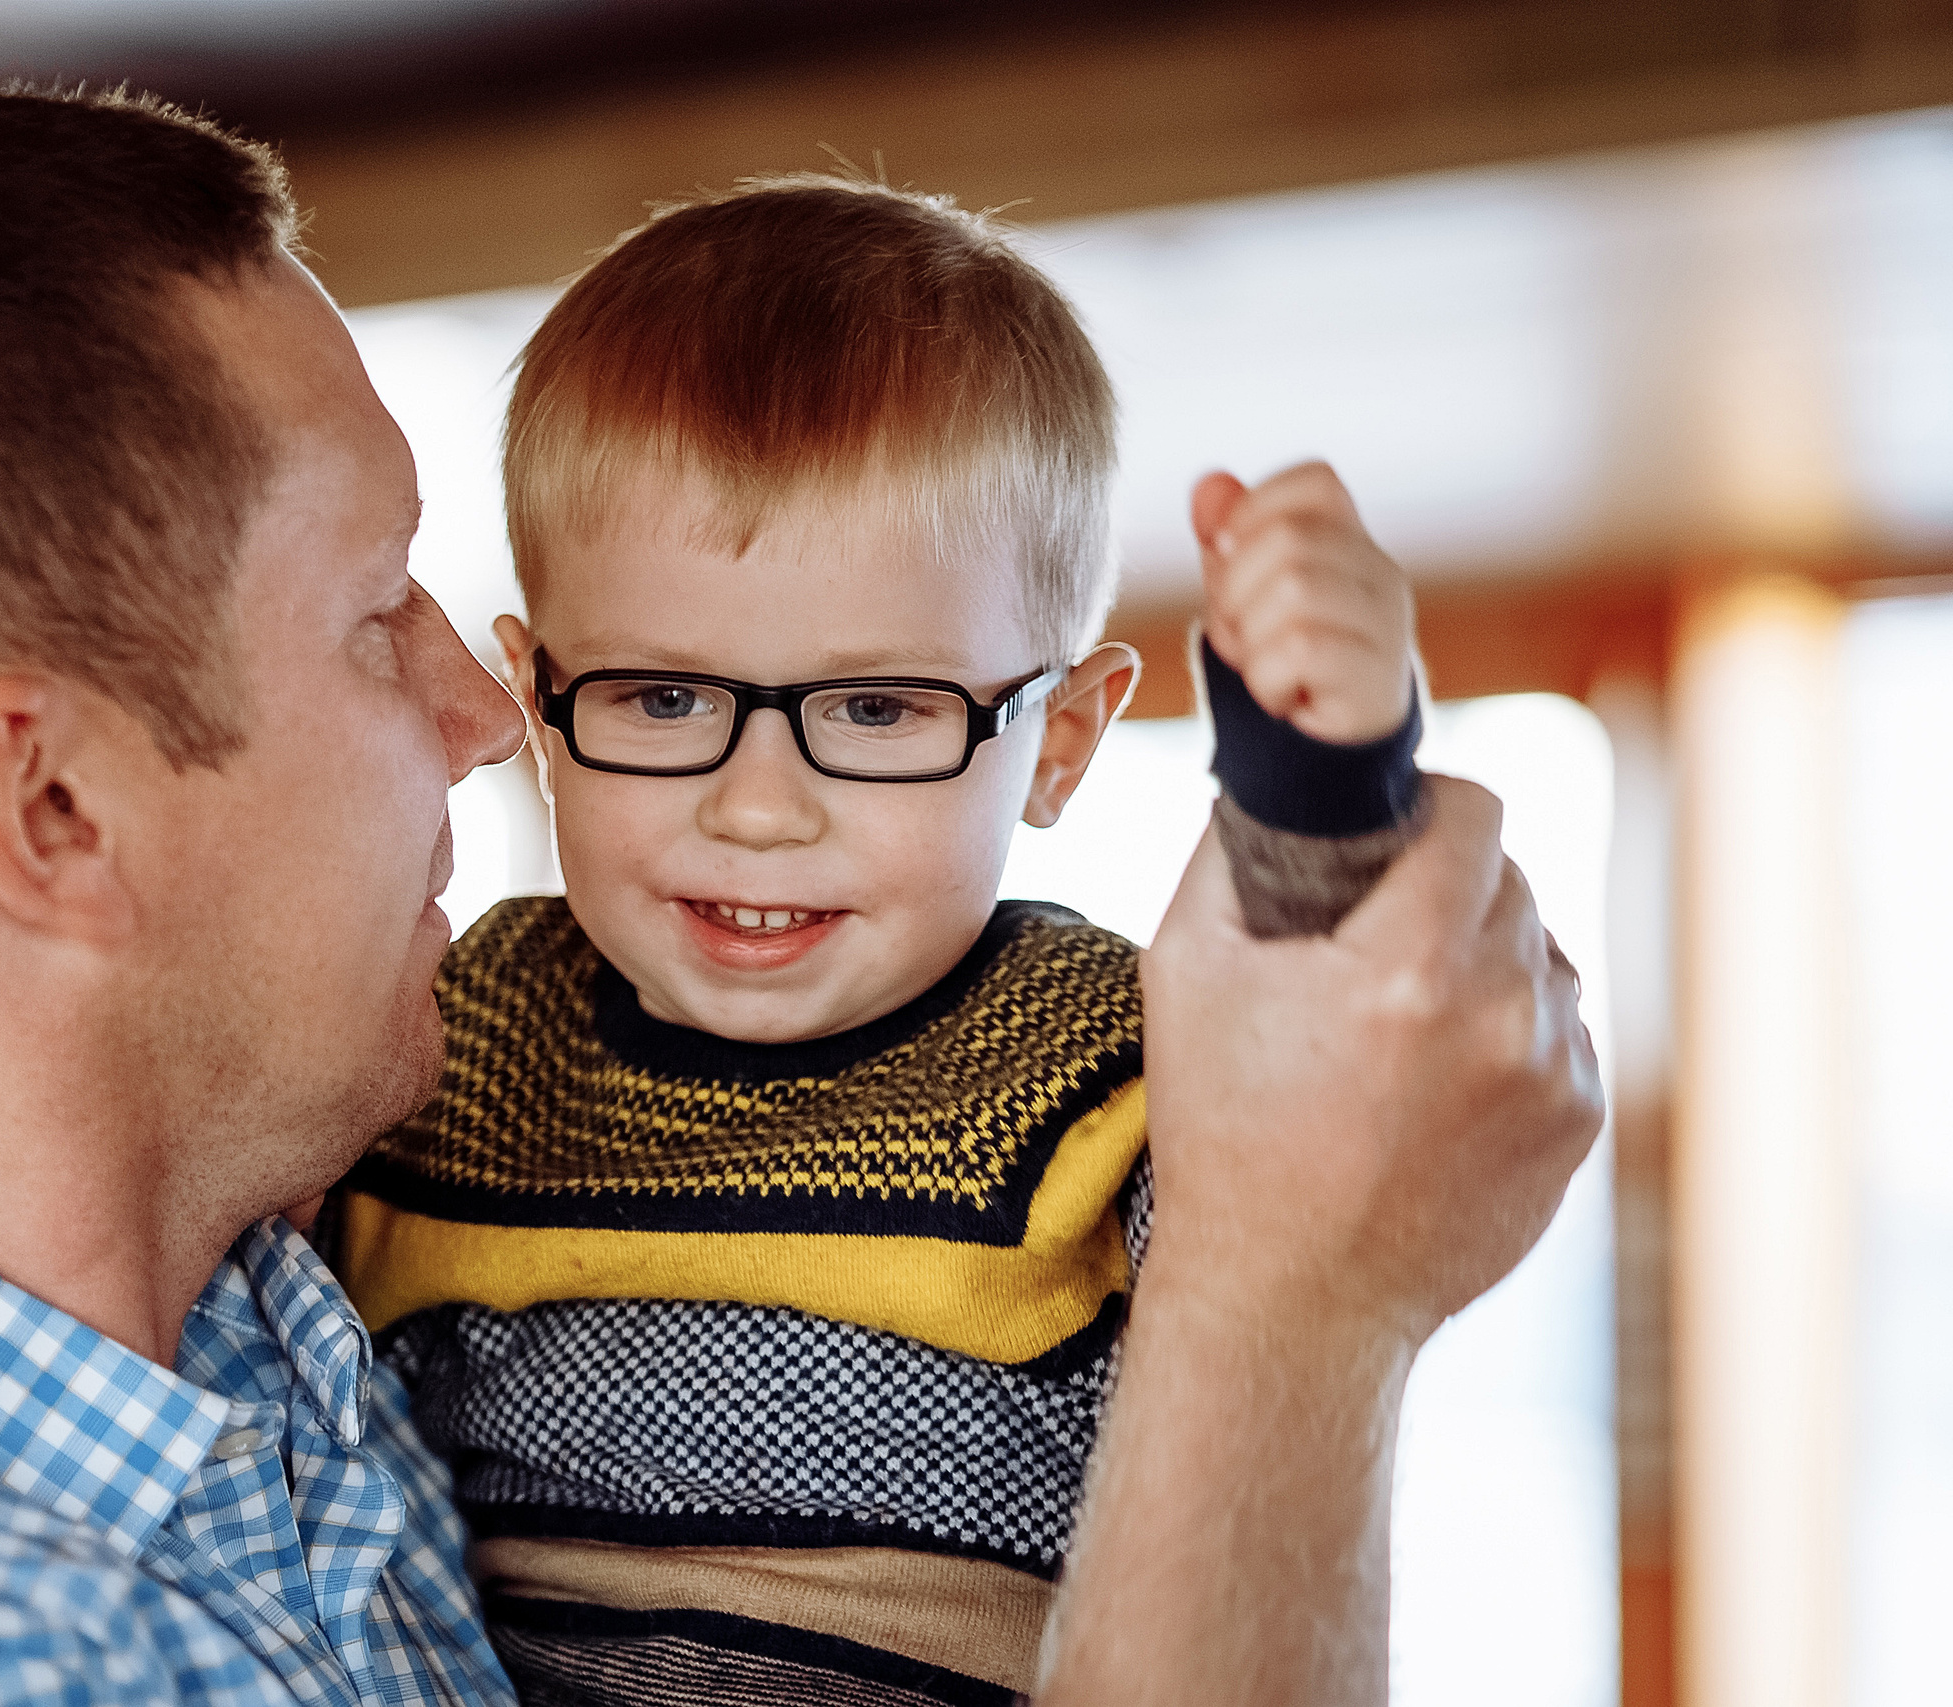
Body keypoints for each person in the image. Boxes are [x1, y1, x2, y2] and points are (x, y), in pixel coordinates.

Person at [0, 84, 1601, 1706]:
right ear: (49, 803)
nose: (480, 710)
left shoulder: (245, 1303)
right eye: (378, 619)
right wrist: (1302, 1319)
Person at [328, 178, 1434, 1704]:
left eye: (876, 710)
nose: (759, 808)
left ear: (1059, 743)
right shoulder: (455, 1030)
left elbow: (1330, 1112)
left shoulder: (1105, 1051)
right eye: (660, 697)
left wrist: (1324, 782)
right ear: (536, 701)